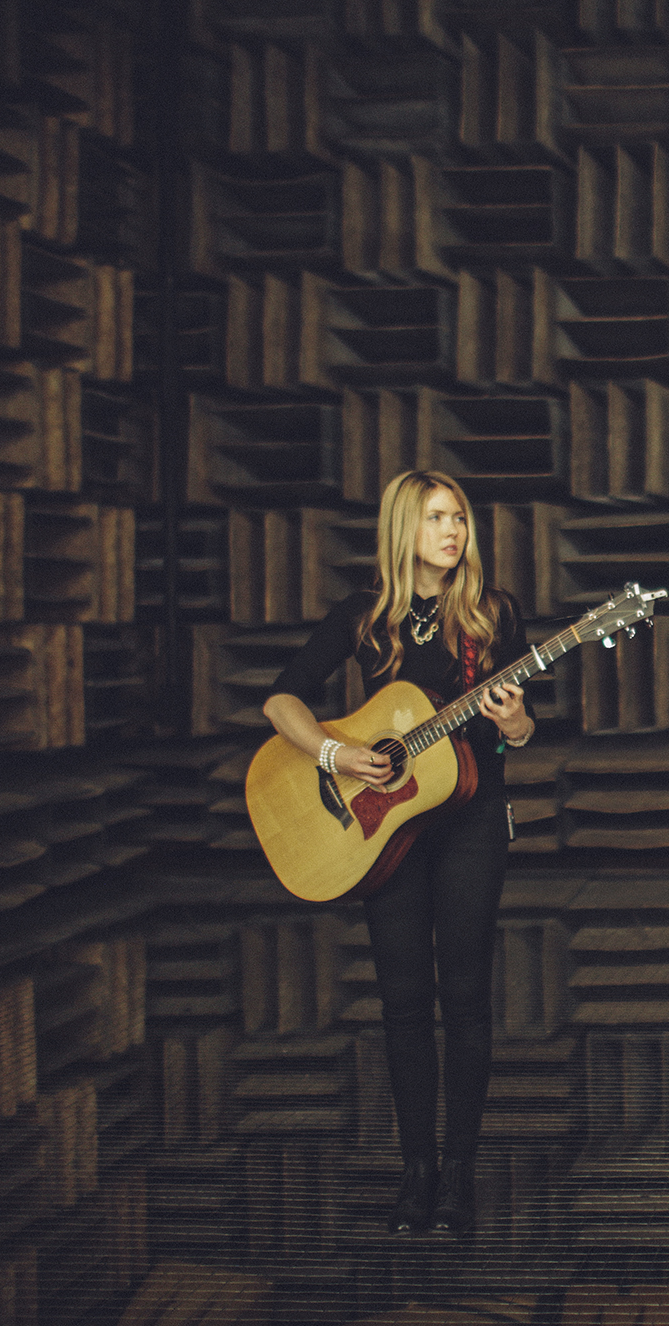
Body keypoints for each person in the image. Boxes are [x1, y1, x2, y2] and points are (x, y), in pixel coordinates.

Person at [262, 469, 533, 1239]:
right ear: (402, 529)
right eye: (437, 518)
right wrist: (335, 755)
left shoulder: (492, 616)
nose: (453, 532)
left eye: (460, 518)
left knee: (468, 998)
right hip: (389, 831)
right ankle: (416, 1172)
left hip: (473, 822)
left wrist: (515, 724)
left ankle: (460, 1175)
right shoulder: (365, 618)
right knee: (405, 1002)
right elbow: (280, 698)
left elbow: (522, 733)